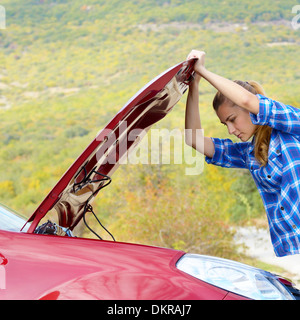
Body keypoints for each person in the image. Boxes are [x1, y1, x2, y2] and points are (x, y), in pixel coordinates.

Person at [185, 49, 300, 257]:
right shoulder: (250, 153)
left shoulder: (292, 124)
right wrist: (194, 84)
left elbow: (248, 101)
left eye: (232, 119)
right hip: (294, 249)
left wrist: (202, 69)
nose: (230, 130)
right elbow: (193, 140)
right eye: (224, 124)